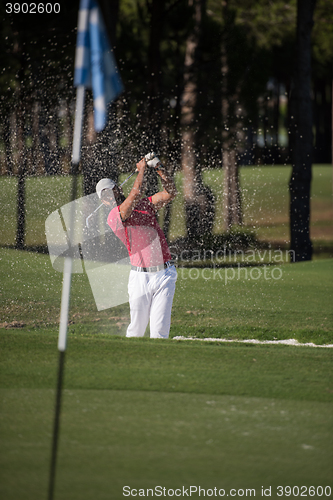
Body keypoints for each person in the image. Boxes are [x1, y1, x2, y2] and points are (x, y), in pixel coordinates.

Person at [95, 156, 177, 339]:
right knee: (136, 331)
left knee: (160, 332)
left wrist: (159, 167)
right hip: (140, 278)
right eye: (105, 196)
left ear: (118, 189)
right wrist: (141, 170)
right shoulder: (114, 217)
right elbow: (135, 193)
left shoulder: (145, 205)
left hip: (165, 274)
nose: (110, 197)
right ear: (104, 202)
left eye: (111, 192)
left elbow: (170, 193)